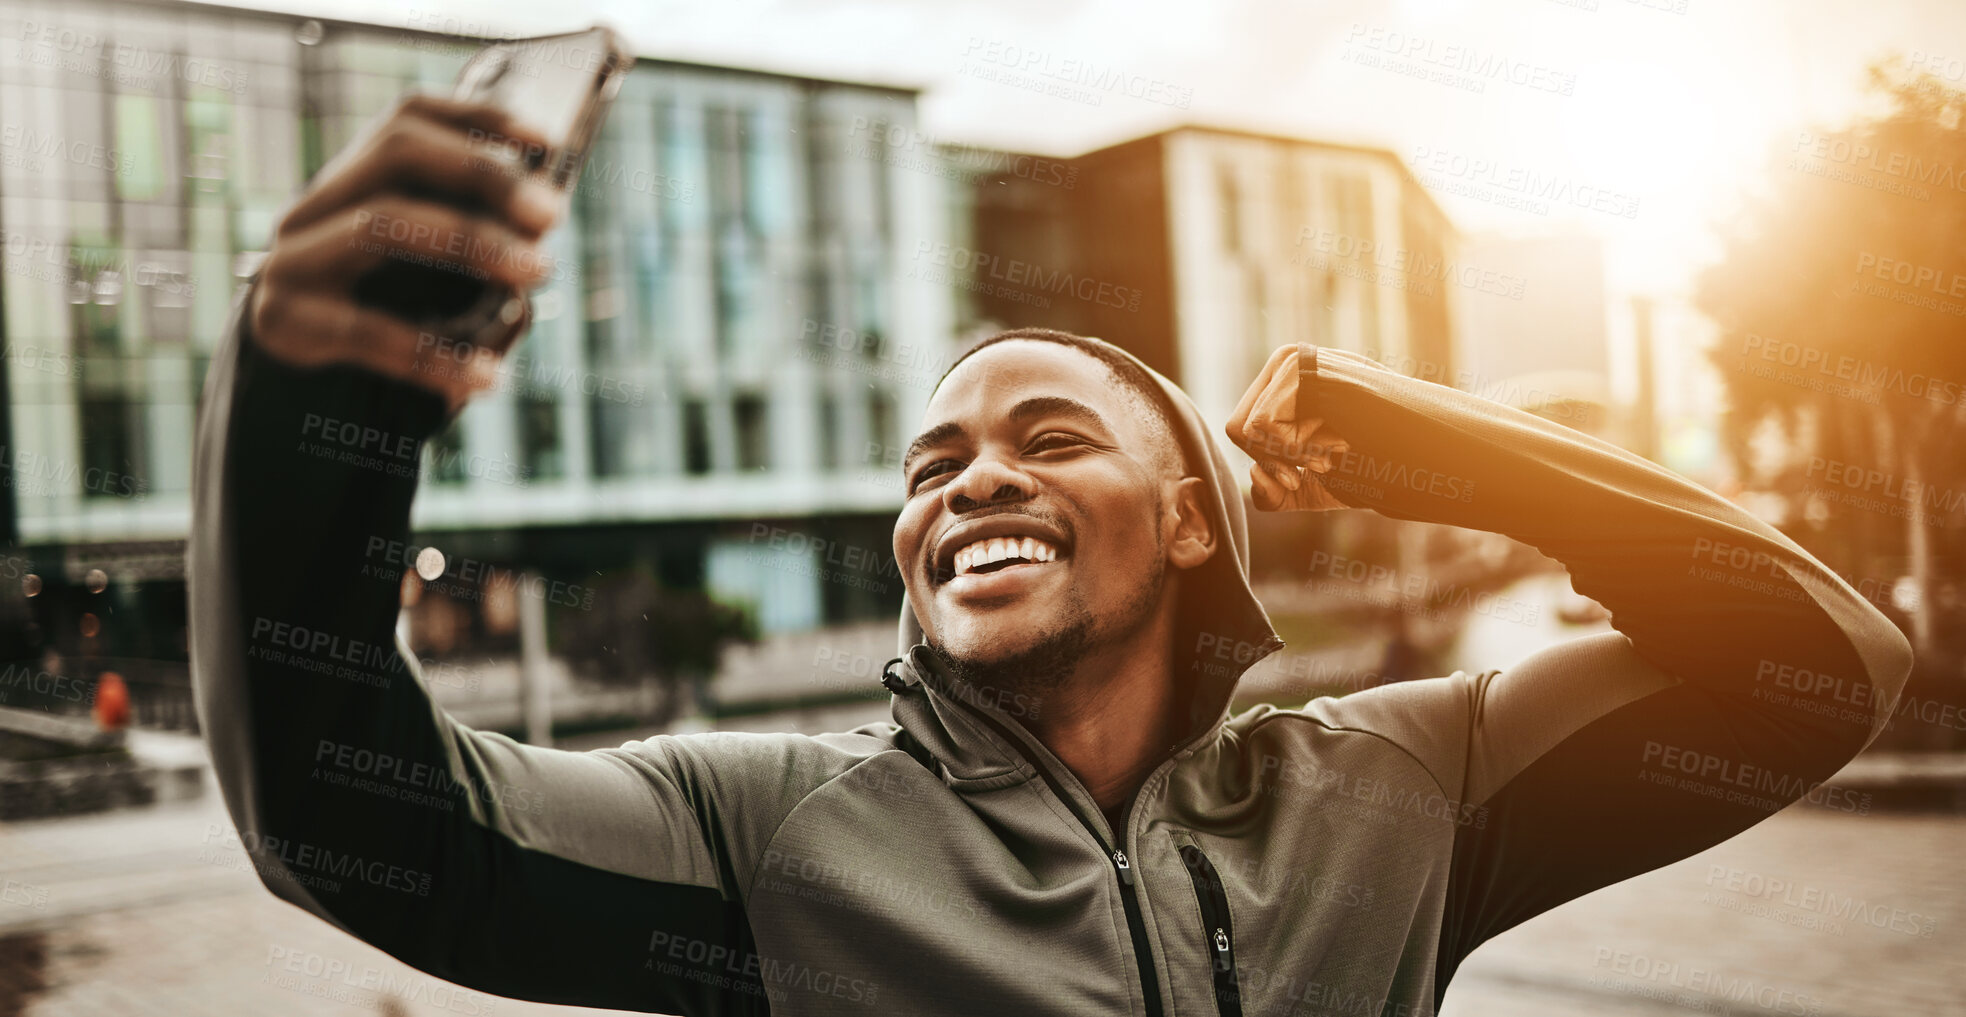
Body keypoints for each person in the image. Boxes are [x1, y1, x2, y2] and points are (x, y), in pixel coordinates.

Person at [189, 96, 1912, 1017]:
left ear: (1189, 520)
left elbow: (1817, 665)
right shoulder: (764, 831)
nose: (969, 483)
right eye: (933, 463)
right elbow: (357, 824)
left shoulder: (1406, 787)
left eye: (1048, 438)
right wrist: (303, 411)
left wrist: (1445, 453)